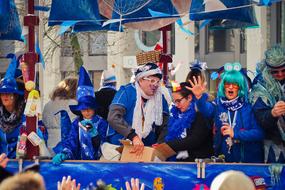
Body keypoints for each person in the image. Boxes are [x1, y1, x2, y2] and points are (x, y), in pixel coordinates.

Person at [190, 62, 264, 163]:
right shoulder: (218, 104)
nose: (230, 87)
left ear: (240, 87)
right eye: (227, 84)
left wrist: (236, 134)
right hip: (225, 160)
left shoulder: (248, 107)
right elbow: (206, 110)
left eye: (234, 84)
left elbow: (259, 133)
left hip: (248, 161)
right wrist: (199, 97)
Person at [52, 66, 115, 165]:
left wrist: (95, 136)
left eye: (89, 108)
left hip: (98, 165)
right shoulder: (76, 123)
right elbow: (71, 141)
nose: (86, 111)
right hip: (80, 165)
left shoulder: (102, 122)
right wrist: (64, 153)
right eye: (83, 109)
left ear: (94, 108)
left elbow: (105, 145)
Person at [108, 63, 169, 155]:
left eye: (157, 82)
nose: (155, 85)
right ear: (140, 80)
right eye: (152, 81)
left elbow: (165, 125)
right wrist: (133, 136)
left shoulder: (160, 98)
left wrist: (160, 144)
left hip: (148, 149)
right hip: (120, 146)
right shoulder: (126, 92)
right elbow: (113, 117)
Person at [157, 81, 213, 162]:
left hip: (199, 165)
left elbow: (194, 140)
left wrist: (168, 145)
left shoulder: (200, 113)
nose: (176, 105)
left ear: (189, 98)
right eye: (175, 101)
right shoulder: (178, 115)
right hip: (181, 164)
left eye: (178, 101)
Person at [249, 45, 285, 163]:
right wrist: (272, 113)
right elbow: (260, 119)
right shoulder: (260, 86)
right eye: (275, 72)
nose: (280, 74)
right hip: (274, 146)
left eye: (284, 70)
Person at [42, 77, 78, 154]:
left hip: (48, 146)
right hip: (64, 146)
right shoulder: (72, 103)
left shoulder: (48, 104)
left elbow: (44, 123)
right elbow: (75, 125)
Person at [0, 55, 25, 158]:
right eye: (2, 93)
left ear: (15, 96)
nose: (5, 96)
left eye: (9, 93)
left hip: (20, 165)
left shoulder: (26, 114)